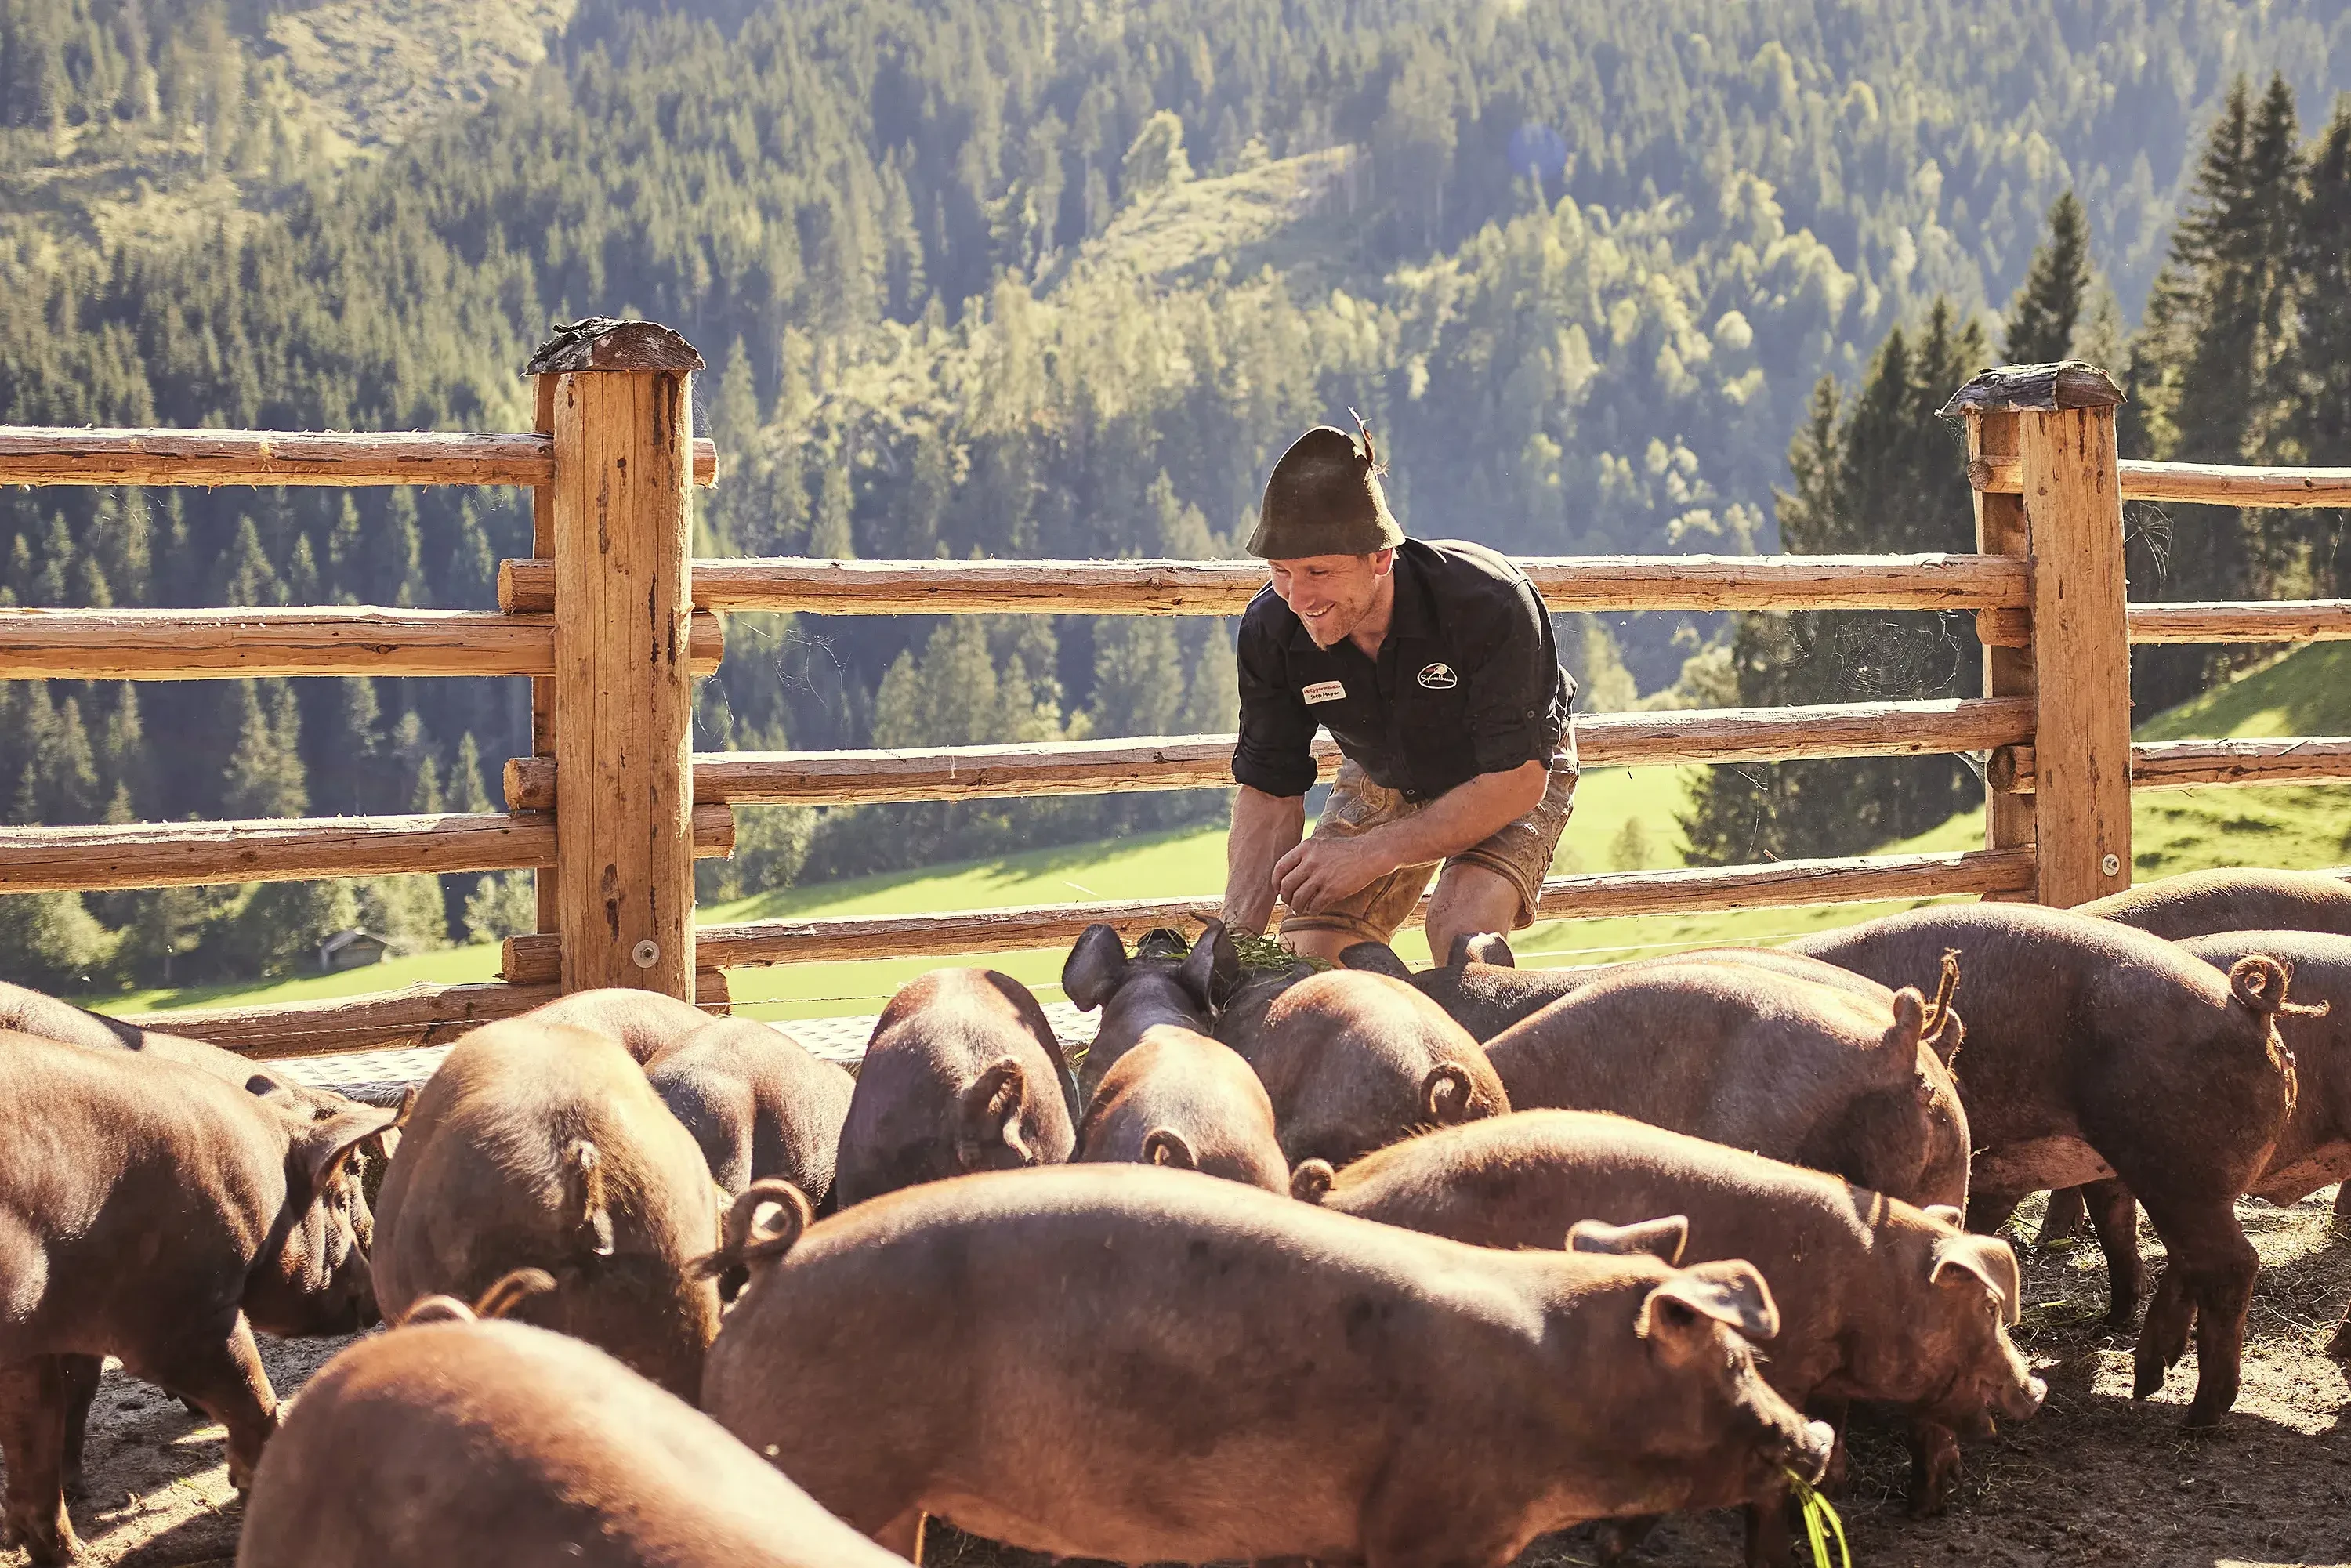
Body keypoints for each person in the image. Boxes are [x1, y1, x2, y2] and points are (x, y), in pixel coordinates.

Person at [1222, 419, 1578, 965]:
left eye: (1319, 570)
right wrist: (1234, 946)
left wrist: (1371, 852)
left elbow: (1518, 780)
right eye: (1281, 571)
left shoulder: (1491, 601)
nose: (1298, 596)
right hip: (1385, 769)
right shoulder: (1270, 629)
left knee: (1464, 937)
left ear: (1382, 557)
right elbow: (1269, 793)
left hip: (1507, 768)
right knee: (1312, 961)